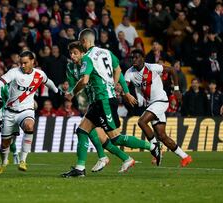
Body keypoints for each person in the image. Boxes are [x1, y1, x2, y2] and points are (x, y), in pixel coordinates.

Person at [62, 30, 161, 178]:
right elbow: (118, 70)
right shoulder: (106, 52)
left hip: (104, 100)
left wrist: (72, 92)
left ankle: (153, 146)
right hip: (100, 100)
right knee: (82, 130)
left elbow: (84, 81)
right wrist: (114, 86)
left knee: (115, 138)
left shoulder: (87, 58)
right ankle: (80, 168)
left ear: (83, 41)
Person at [0, 50, 63, 174]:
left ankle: (23, 160)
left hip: (27, 110)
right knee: (5, 144)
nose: (22, 65)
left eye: (25, 63)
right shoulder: (14, 72)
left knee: (29, 126)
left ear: (32, 62)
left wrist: (57, 91)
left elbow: (48, 82)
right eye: (21, 63)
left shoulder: (39, 74)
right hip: (10, 112)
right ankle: (4, 162)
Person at [125, 49, 192, 167]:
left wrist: (176, 90)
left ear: (142, 59)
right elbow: (125, 86)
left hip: (161, 101)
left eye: (136, 57)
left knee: (141, 121)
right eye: (132, 58)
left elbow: (172, 70)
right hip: (151, 104)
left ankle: (155, 146)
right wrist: (123, 92)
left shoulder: (151, 67)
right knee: (162, 136)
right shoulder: (129, 72)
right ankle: (185, 157)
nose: (134, 60)